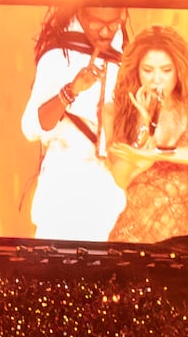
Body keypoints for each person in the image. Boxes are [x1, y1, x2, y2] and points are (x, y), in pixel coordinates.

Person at [105, 26, 188, 247]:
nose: (156, 80)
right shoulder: (116, 112)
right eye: (148, 70)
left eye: (165, 70)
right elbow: (121, 177)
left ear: (179, 70)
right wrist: (145, 125)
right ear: (137, 71)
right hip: (132, 238)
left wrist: (157, 152)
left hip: (184, 237)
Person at [17, 19, 124, 243]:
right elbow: (31, 128)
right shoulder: (58, 56)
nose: (105, 30)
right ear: (83, 12)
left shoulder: (127, 59)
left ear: (123, 13)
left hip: (108, 193)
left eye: (113, 22)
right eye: (98, 22)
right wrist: (72, 91)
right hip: (64, 186)